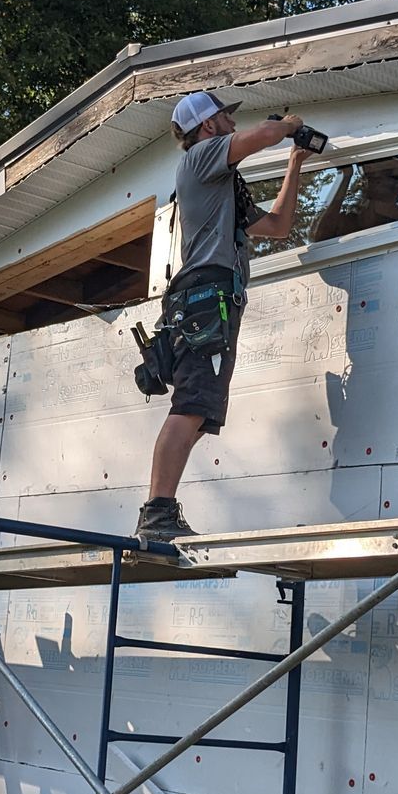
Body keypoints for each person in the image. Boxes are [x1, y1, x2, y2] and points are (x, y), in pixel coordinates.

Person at [135, 91, 310, 542]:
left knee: (199, 411)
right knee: (190, 406)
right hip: (204, 301)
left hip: (213, 303)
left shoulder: (222, 187)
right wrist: (289, 125)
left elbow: (277, 227)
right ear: (208, 126)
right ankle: (157, 513)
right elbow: (263, 135)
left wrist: (295, 163)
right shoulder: (200, 158)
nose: (234, 124)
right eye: (226, 118)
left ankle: (160, 510)